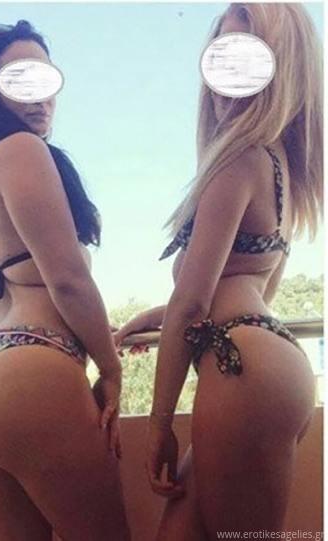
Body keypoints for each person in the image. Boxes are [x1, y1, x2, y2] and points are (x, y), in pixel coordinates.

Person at [115, 3, 322, 538]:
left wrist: (159, 423)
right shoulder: (276, 164)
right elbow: (247, 286)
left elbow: (194, 302)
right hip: (263, 362)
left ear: (282, 70)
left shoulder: (239, 157)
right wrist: (161, 314)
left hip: (241, 368)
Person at [0, 20, 130, 541]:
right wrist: (110, 367)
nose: (39, 95)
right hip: (32, 370)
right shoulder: (23, 150)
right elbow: (68, 280)